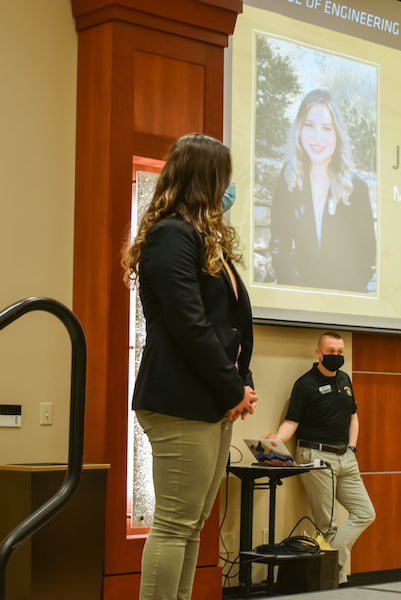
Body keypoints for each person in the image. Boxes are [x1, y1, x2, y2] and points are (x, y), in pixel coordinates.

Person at [124, 133, 258, 600]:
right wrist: (231, 390)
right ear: (206, 178)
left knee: (192, 524)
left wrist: (243, 381)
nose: (231, 186)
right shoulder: (170, 235)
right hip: (180, 396)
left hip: (208, 398)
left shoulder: (202, 238)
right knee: (175, 522)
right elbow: (189, 325)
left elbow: (230, 325)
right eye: (225, 176)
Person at [266, 331, 375, 585]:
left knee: (365, 513)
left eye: (340, 352)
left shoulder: (345, 379)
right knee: (329, 526)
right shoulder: (304, 384)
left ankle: (323, 568)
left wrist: (352, 447)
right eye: (331, 351)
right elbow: (291, 423)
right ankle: (336, 580)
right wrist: (275, 441)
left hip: (346, 457)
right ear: (318, 353)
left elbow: (353, 417)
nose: (336, 356)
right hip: (315, 456)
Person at [270, 89, 376, 293]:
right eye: (309, 125)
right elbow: (279, 243)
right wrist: (297, 292)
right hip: (298, 300)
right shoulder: (288, 177)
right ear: (299, 129)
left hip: (345, 303)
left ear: (337, 135)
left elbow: (366, 254)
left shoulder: (357, 188)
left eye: (327, 128)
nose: (318, 137)